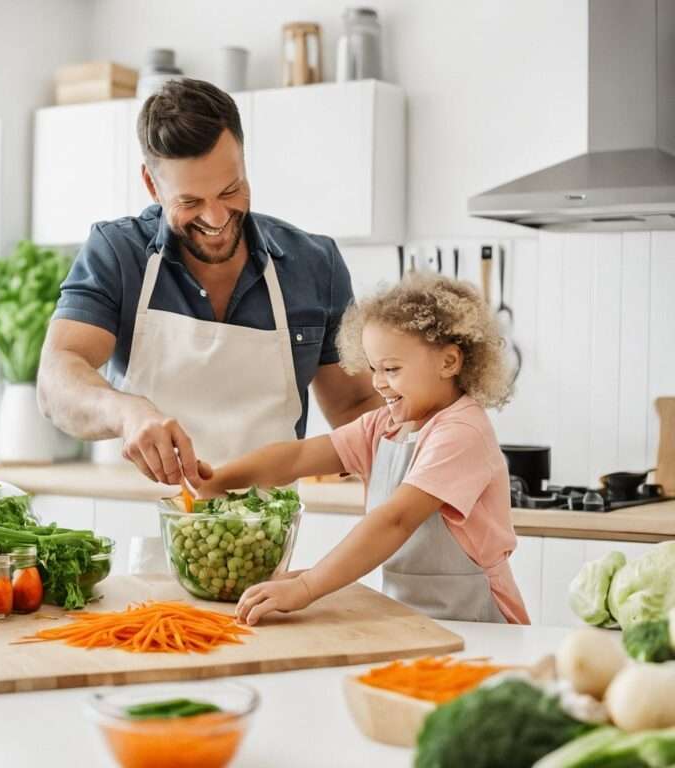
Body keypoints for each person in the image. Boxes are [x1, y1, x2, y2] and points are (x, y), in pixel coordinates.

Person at [37, 79, 381, 484]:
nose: (217, 219)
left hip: (265, 530)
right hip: (143, 524)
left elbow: (357, 404)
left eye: (230, 190)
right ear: (152, 185)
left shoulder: (314, 264)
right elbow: (57, 379)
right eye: (190, 202)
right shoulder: (117, 253)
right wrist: (128, 413)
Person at [195, 272, 530, 626]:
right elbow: (297, 457)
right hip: (413, 618)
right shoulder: (384, 426)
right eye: (373, 368)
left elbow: (395, 520)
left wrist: (308, 586)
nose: (377, 382)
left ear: (448, 362)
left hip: (477, 620)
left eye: (391, 369)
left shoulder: (461, 432)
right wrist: (219, 479)